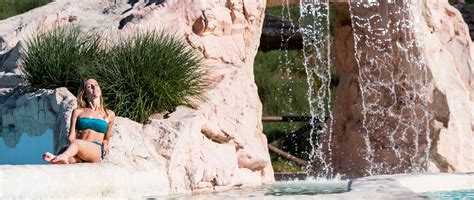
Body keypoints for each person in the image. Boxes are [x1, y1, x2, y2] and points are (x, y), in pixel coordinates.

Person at [43, 78, 115, 164]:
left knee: (75, 145)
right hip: (78, 150)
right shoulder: (78, 111)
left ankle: (64, 156)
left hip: (95, 150)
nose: (93, 87)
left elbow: (106, 138)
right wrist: (70, 146)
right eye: (89, 86)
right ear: (84, 94)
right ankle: (60, 158)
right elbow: (71, 136)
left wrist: (106, 143)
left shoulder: (109, 114)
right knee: (61, 159)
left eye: (96, 84)